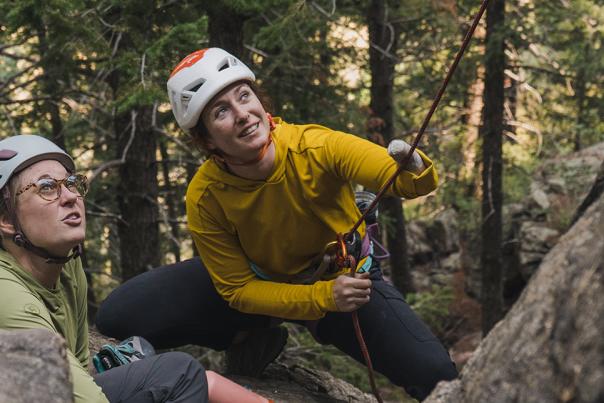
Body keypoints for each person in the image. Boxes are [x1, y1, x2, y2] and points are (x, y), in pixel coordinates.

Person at [96, 47, 458, 400]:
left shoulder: (315, 147)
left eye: (244, 96)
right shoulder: (206, 195)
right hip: (267, 283)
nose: (242, 114)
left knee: (435, 373)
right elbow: (237, 290)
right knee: (119, 316)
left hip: (341, 279)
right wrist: (320, 298)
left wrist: (412, 170)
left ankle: (255, 326)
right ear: (206, 139)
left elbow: (396, 176)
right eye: (222, 111)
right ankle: (248, 332)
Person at [0, 134, 271, 403]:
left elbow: (78, 367)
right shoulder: (7, 293)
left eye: (72, 183)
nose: (71, 197)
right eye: (47, 187)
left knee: (165, 370)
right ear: (6, 220)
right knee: (179, 373)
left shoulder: (66, 264)